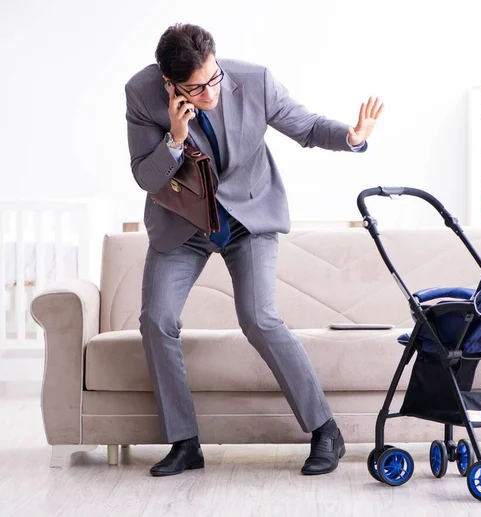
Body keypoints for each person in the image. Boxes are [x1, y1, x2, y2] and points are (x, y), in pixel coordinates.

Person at [125, 23, 384, 478]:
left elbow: (305, 126)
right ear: (169, 83)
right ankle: (185, 442)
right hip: (181, 225)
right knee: (156, 320)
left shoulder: (255, 81)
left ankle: (326, 430)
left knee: (258, 316)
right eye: (195, 88)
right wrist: (175, 137)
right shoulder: (142, 95)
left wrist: (352, 136)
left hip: (249, 216)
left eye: (213, 79)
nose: (209, 93)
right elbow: (147, 178)